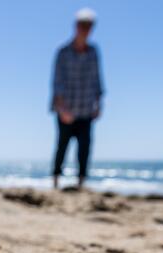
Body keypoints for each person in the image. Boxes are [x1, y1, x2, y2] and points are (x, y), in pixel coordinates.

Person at [51, 8, 104, 189]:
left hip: (86, 109)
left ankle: (81, 183)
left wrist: (99, 104)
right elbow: (57, 82)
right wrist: (61, 108)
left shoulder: (93, 52)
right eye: (82, 25)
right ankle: (55, 182)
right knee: (62, 146)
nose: (85, 29)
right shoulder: (63, 52)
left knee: (84, 149)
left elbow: (98, 80)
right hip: (66, 109)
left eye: (89, 26)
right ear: (76, 26)